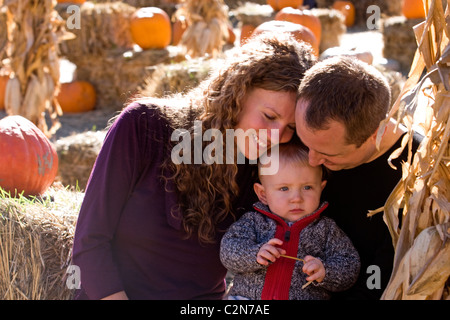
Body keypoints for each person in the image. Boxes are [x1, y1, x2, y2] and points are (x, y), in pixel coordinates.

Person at [71, 34, 316, 300]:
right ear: (236, 93)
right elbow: (89, 243)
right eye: (269, 117)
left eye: (290, 128)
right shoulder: (143, 125)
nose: (275, 136)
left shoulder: (266, 171)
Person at [295, 56, 422, 299]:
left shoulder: (418, 178)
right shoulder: (317, 140)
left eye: (327, 154)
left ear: (376, 134)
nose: (311, 161)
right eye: (304, 142)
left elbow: (382, 283)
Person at [220, 140, 360, 300]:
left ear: (321, 189)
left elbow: (350, 264)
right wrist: (255, 254)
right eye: (284, 188)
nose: (296, 198)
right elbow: (228, 251)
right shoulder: (253, 222)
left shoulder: (325, 229)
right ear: (263, 194)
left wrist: (325, 271)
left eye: (307, 187)